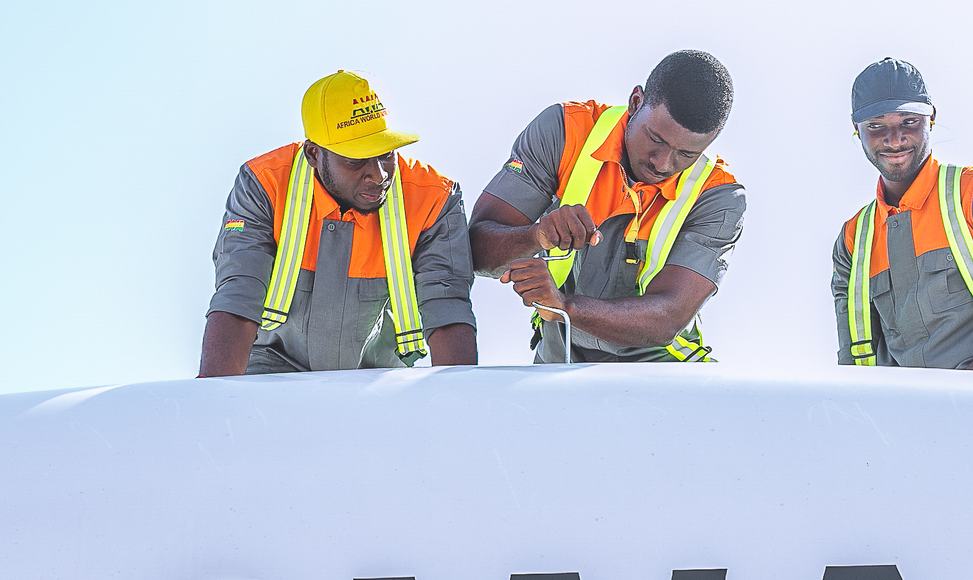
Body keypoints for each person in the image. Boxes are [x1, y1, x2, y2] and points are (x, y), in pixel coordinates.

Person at [468, 50, 743, 363]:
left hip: (664, 375)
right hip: (560, 359)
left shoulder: (718, 197)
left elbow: (666, 319)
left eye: (686, 154)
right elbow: (476, 253)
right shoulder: (564, 132)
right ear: (636, 102)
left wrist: (565, 306)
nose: (663, 163)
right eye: (655, 139)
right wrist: (536, 236)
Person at [198, 70, 477, 375]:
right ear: (314, 154)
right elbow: (239, 295)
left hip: (377, 379)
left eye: (385, 155)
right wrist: (217, 399)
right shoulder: (265, 184)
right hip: (272, 377)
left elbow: (447, 307)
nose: (378, 175)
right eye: (356, 160)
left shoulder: (434, 197)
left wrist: (458, 406)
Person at [831, 58, 973, 373]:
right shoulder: (853, 240)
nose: (894, 138)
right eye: (876, 125)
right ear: (856, 130)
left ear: (932, 118)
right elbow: (855, 364)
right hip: (913, 416)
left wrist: (963, 404)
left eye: (909, 121)